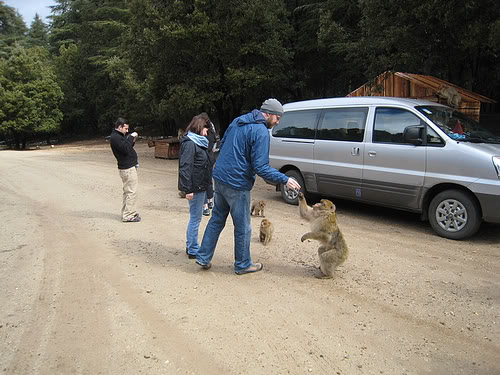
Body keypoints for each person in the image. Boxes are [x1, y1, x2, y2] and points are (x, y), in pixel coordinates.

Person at [195, 98, 301, 275]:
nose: (278, 122)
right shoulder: (260, 132)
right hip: (237, 184)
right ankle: (243, 264)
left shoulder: (238, 120)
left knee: (216, 219)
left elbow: (222, 144)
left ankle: (203, 257)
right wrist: (285, 179)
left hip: (220, 178)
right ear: (267, 113)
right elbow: (261, 167)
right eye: (277, 118)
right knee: (243, 226)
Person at [178, 115, 212, 259]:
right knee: (195, 219)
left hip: (201, 185)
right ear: (199, 127)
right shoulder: (190, 143)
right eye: (205, 129)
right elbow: (185, 167)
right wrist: (188, 189)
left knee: (196, 218)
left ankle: (191, 246)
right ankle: (192, 249)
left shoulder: (199, 142)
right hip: (195, 187)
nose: (207, 132)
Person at [109, 118, 140, 222]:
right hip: (127, 168)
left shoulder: (119, 136)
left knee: (128, 191)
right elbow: (126, 149)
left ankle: (128, 212)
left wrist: (132, 139)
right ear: (119, 127)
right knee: (131, 192)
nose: (127, 131)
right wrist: (131, 137)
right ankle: (128, 215)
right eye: (125, 128)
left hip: (128, 167)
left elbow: (128, 147)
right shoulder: (115, 138)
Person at [198, 112, 217, 216]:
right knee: (209, 180)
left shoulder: (200, 133)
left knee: (203, 182)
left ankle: (205, 206)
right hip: (210, 158)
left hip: (203, 159)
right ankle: (210, 202)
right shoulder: (212, 132)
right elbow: (214, 142)